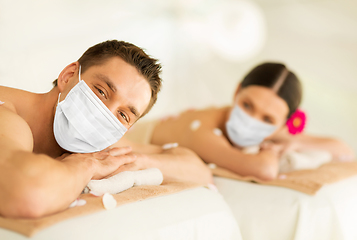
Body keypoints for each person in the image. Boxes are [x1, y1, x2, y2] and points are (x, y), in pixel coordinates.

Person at [0, 40, 211, 218]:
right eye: (101, 91)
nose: (104, 115)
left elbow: (199, 172)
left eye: (123, 115)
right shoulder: (8, 115)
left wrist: (133, 162)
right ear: (68, 75)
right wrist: (85, 166)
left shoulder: (102, 143)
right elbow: (27, 193)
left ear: (127, 127)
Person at [150, 62, 355, 181]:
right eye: (247, 105)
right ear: (237, 91)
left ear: (283, 124)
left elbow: (342, 149)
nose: (251, 121)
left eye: (267, 118)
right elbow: (263, 170)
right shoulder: (202, 128)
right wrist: (270, 151)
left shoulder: (269, 129)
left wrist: (295, 142)